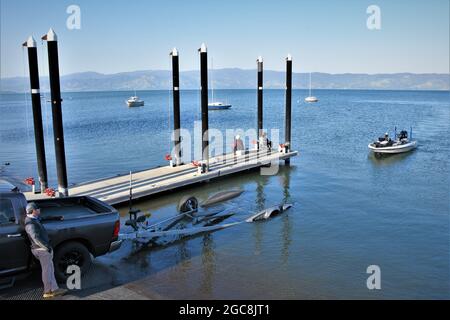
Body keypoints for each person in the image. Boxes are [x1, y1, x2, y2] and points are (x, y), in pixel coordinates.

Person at [24, 202, 67, 299]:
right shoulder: (30, 224)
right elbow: (35, 238)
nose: (39, 210)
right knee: (47, 271)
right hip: (41, 250)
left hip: (42, 249)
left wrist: (57, 217)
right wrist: (46, 247)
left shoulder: (33, 219)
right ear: (34, 211)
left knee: (50, 269)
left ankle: (55, 289)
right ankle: (47, 292)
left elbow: (43, 218)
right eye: (38, 209)